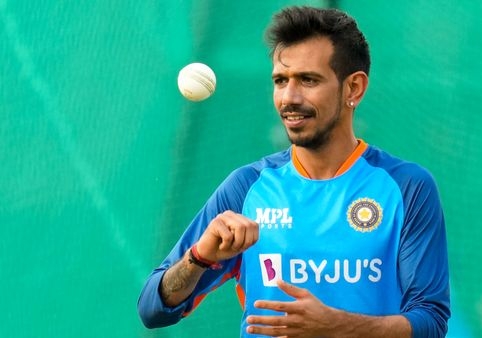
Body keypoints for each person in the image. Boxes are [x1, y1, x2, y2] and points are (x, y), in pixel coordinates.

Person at [138, 5, 450, 338]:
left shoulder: (406, 187)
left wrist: (338, 327)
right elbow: (153, 308)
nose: (289, 98)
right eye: (280, 81)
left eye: (308, 80)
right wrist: (199, 258)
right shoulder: (247, 187)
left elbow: (430, 321)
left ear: (353, 88)